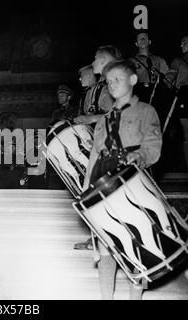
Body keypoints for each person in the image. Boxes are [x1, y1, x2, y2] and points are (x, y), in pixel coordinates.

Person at [84, 59, 162, 300]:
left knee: (135, 243)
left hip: (132, 181)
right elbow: (94, 156)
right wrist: (86, 190)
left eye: (117, 79)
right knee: (106, 245)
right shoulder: (104, 120)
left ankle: (134, 297)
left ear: (133, 80)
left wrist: (138, 155)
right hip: (103, 180)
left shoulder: (146, 111)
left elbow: (153, 145)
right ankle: (106, 297)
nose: (112, 85)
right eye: (108, 82)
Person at [73, 45, 121, 250]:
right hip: (100, 145)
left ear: (105, 60)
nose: (92, 62)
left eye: (95, 58)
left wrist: (90, 118)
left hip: (110, 147)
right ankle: (98, 238)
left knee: (103, 193)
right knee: (94, 192)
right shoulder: (101, 87)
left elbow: (119, 115)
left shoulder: (111, 85)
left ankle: (105, 239)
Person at [74, 45, 121, 126]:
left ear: (103, 61)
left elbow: (120, 117)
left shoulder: (116, 83)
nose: (92, 63)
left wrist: (92, 118)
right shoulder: (100, 85)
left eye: (95, 59)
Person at [165, 35, 188, 171]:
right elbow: (170, 77)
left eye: (184, 42)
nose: (181, 45)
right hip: (185, 95)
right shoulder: (178, 61)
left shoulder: (178, 61)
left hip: (184, 95)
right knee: (186, 134)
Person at [130, 31, 169, 104]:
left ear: (149, 42)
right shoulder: (131, 61)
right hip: (138, 94)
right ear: (136, 43)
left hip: (155, 93)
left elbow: (168, 78)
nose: (142, 40)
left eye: (145, 37)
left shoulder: (159, 60)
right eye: (139, 38)